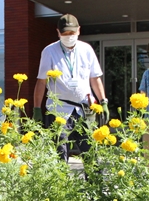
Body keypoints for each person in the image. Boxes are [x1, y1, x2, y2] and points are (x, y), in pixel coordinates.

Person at [33, 13, 108, 161]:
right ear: (58, 32)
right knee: (59, 155)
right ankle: (61, 177)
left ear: (79, 30)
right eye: (65, 33)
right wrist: (36, 109)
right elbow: (41, 82)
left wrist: (103, 101)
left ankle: (94, 177)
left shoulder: (86, 50)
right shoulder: (49, 51)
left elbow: (95, 78)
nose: (69, 36)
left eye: (72, 33)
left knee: (91, 154)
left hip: (83, 109)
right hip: (58, 111)